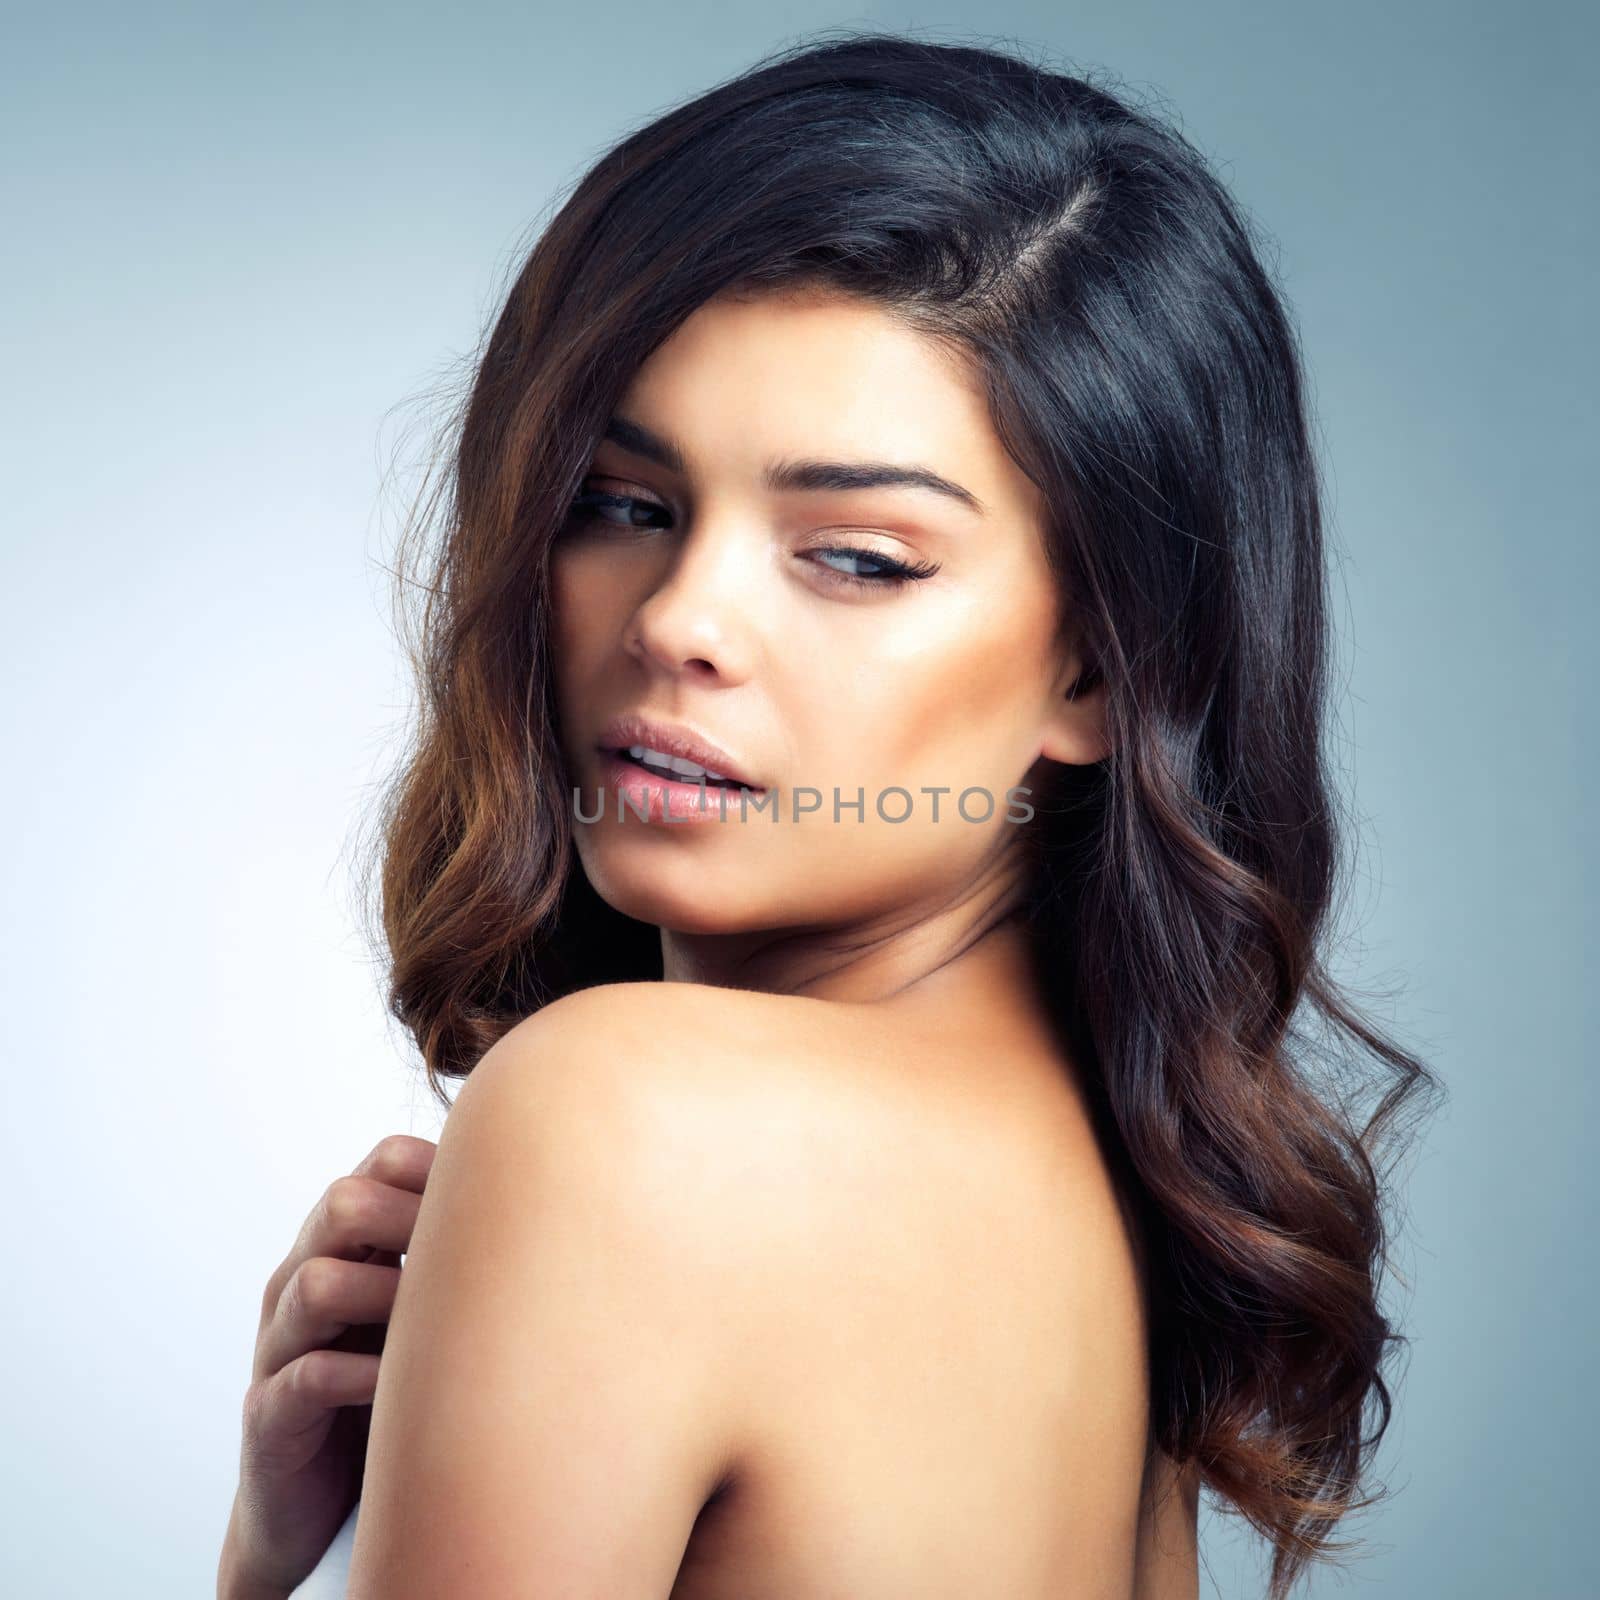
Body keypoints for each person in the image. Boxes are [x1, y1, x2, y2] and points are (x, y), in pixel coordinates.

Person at [217, 28, 1438, 1600]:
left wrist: (258, 1577)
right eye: (623, 504)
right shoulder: (1113, 1240)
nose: (680, 620)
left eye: (857, 555)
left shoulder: (622, 1123)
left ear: (1104, 668)